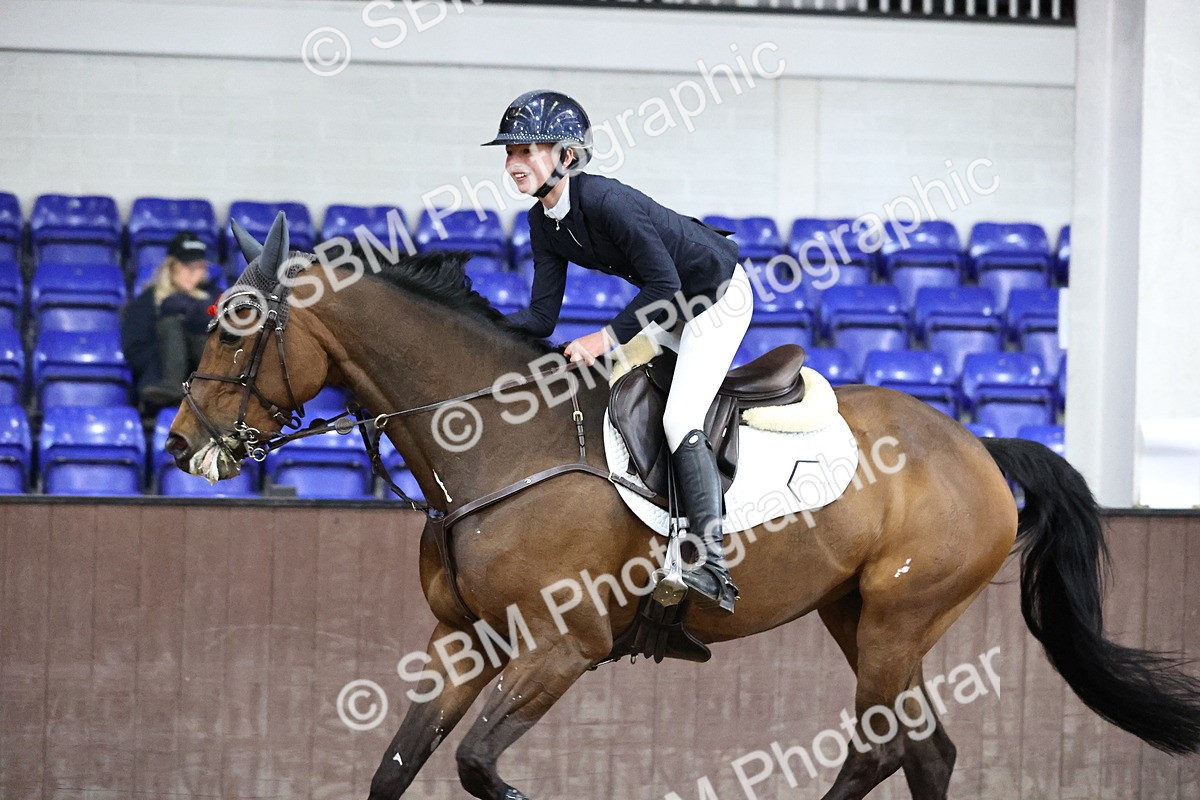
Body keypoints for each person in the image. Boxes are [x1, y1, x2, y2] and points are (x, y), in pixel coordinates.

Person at [483, 90, 753, 613]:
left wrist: (604, 339)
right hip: (673, 303)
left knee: (679, 420)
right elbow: (542, 318)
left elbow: (664, 283)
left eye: (527, 151)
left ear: (566, 156)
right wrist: (478, 324)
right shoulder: (543, 222)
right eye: (509, 153)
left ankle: (711, 563)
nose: (513, 164)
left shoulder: (606, 200)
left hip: (714, 296)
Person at [120, 231, 216, 410]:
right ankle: (173, 385)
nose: (192, 273)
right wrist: (171, 351)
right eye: (186, 266)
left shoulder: (214, 298)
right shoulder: (146, 302)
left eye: (198, 267)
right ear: (171, 266)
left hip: (208, 388)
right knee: (171, 324)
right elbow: (134, 351)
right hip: (160, 388)